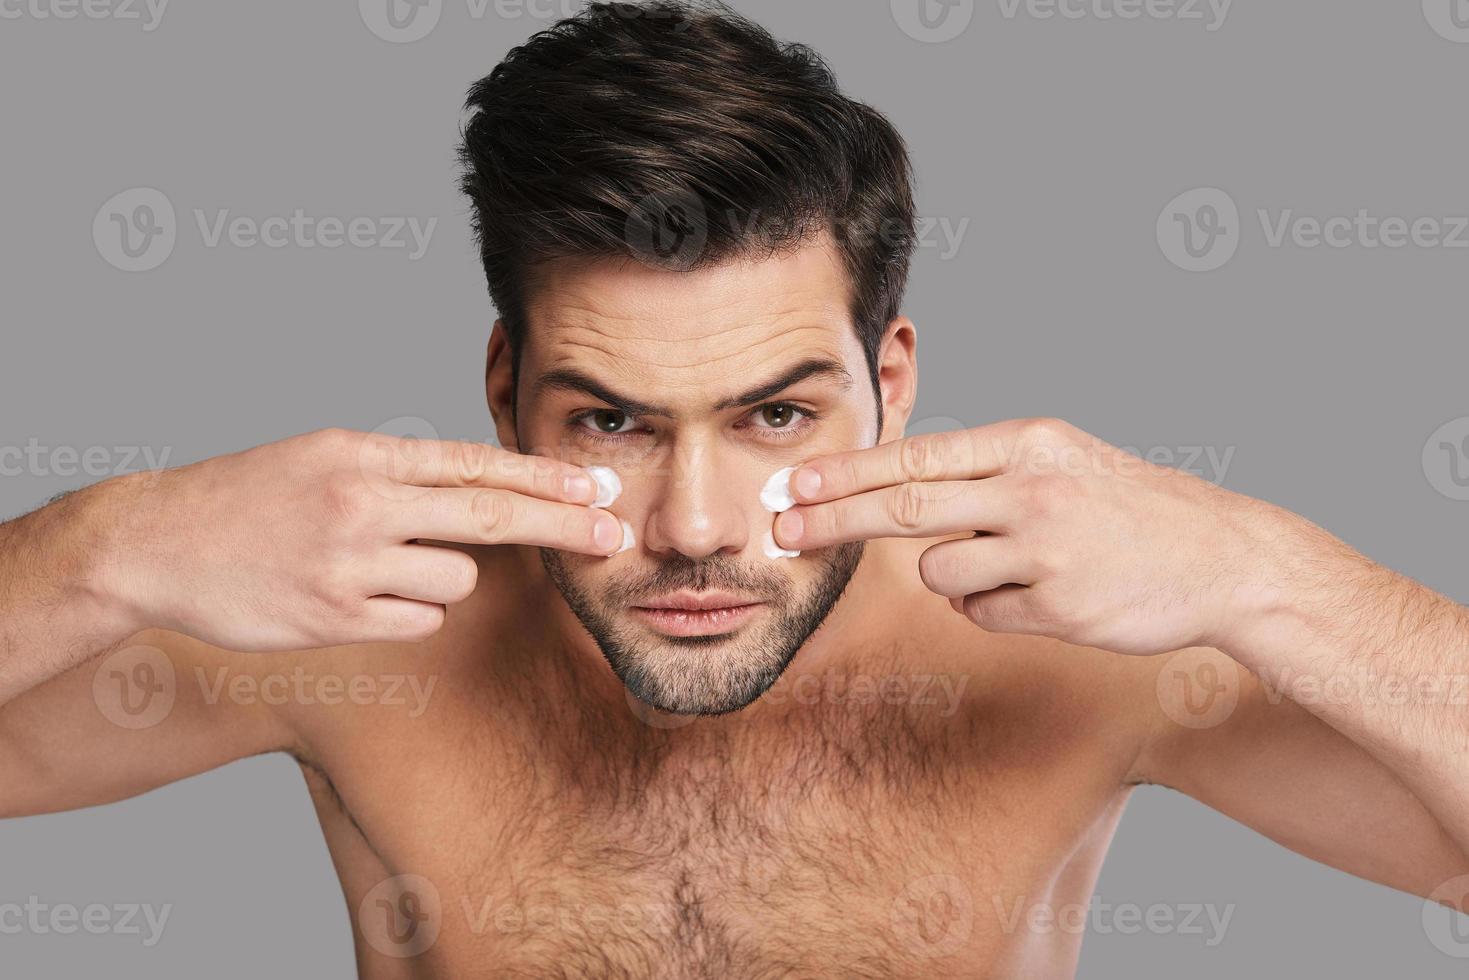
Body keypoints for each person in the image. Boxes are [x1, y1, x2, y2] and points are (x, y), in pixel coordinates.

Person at [2, 2, 1466, 975]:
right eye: (610, 423)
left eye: (775, 414)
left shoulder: (1068, 655)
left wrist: (1269, 570)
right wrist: (106, 543)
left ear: (890, 377)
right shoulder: (357, 632)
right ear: (503, 391)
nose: (693, 525)